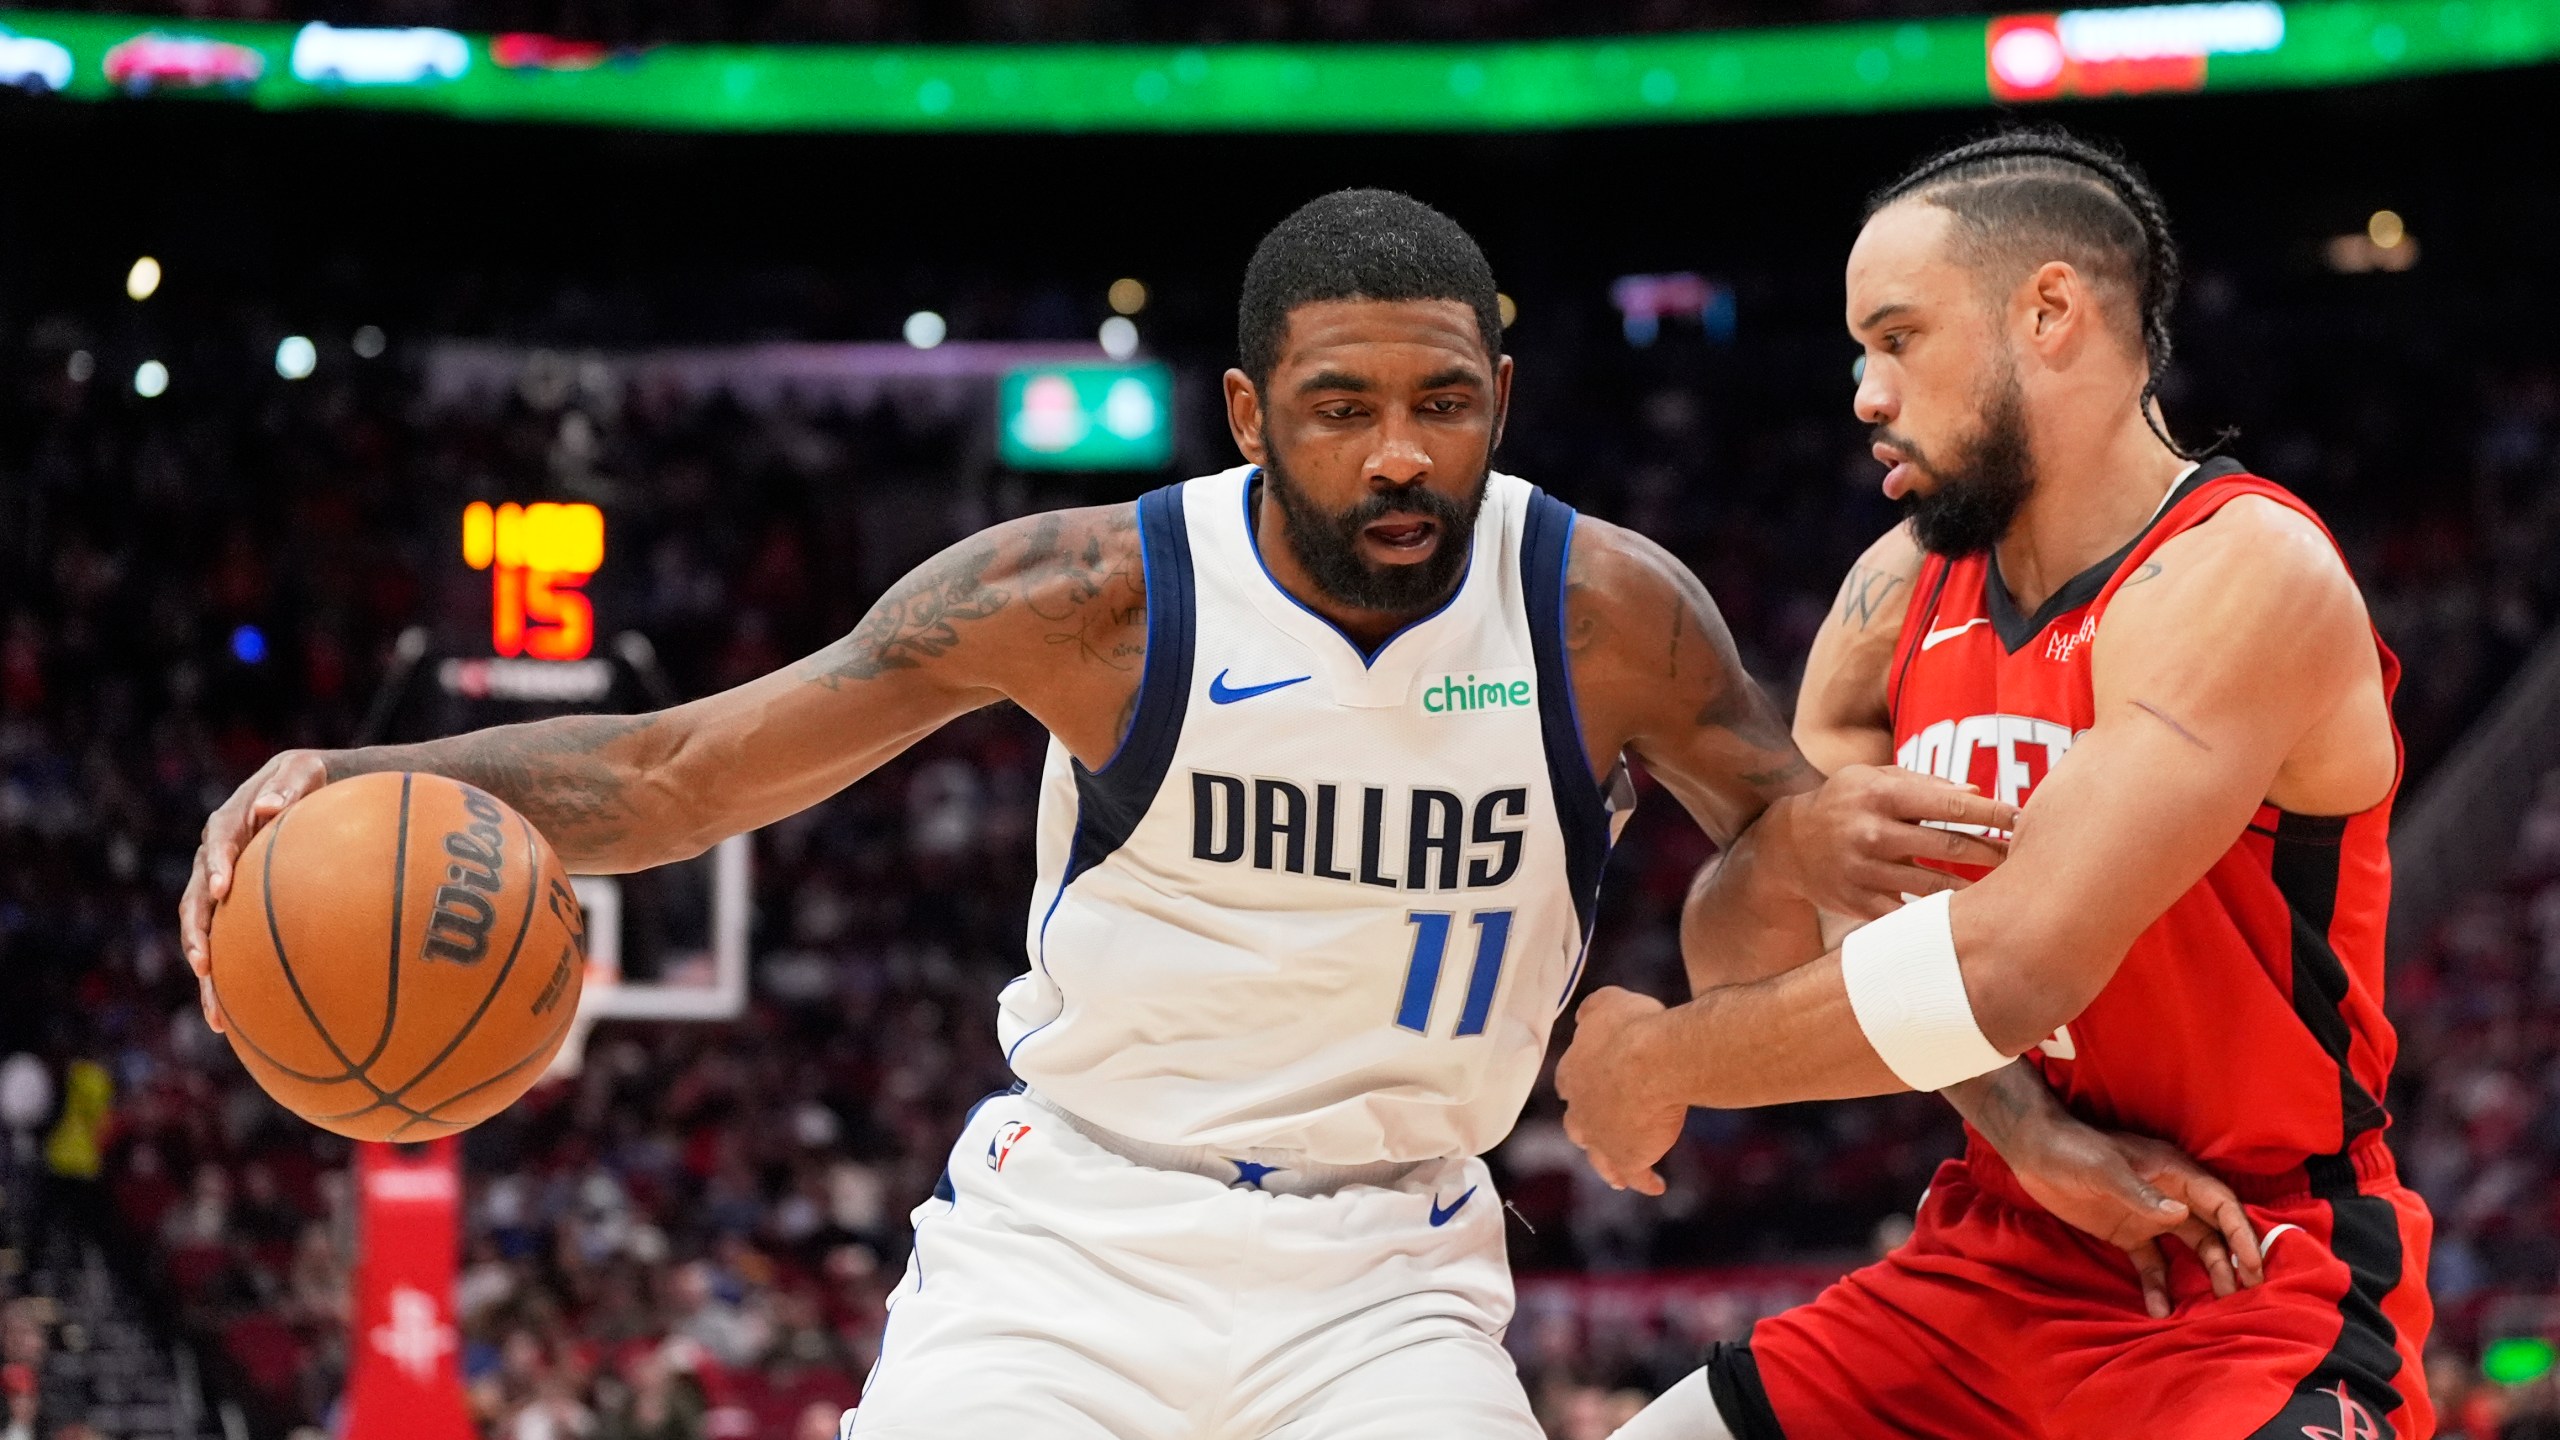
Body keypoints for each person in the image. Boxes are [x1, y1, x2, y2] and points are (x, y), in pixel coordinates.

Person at [185, 189, 2242, 1439]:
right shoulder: (1078, 592)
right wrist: (371, 776)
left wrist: (2023, 1127)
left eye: (1439, 398)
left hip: (1388, 1271)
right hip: (1066, 1239)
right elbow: (675, 771)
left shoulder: (1604, 614)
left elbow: (1820, 866)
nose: (1395, 451)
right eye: (1339, 407)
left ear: (1495, 398)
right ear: (1249, 412)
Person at [1565, 130, 2435, 1438]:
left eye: (1898, 339)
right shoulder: (1895, 590)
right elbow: (1755, 968)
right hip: (1986, 1254)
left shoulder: (2241, 575)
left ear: (2047, 314)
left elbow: (2005, 972)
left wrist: (1657, 1061)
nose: (1863, 391)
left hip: (2244, 1277)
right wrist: (2021, 1128)